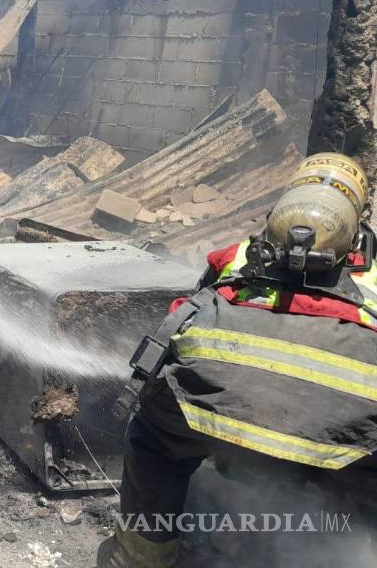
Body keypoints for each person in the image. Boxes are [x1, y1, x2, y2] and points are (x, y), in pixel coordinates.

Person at [100, 153, 377, 568]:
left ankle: (140, 557)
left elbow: (186, 310)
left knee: (155, 442)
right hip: (348, 427)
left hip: (212, 406)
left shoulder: (238, 254)